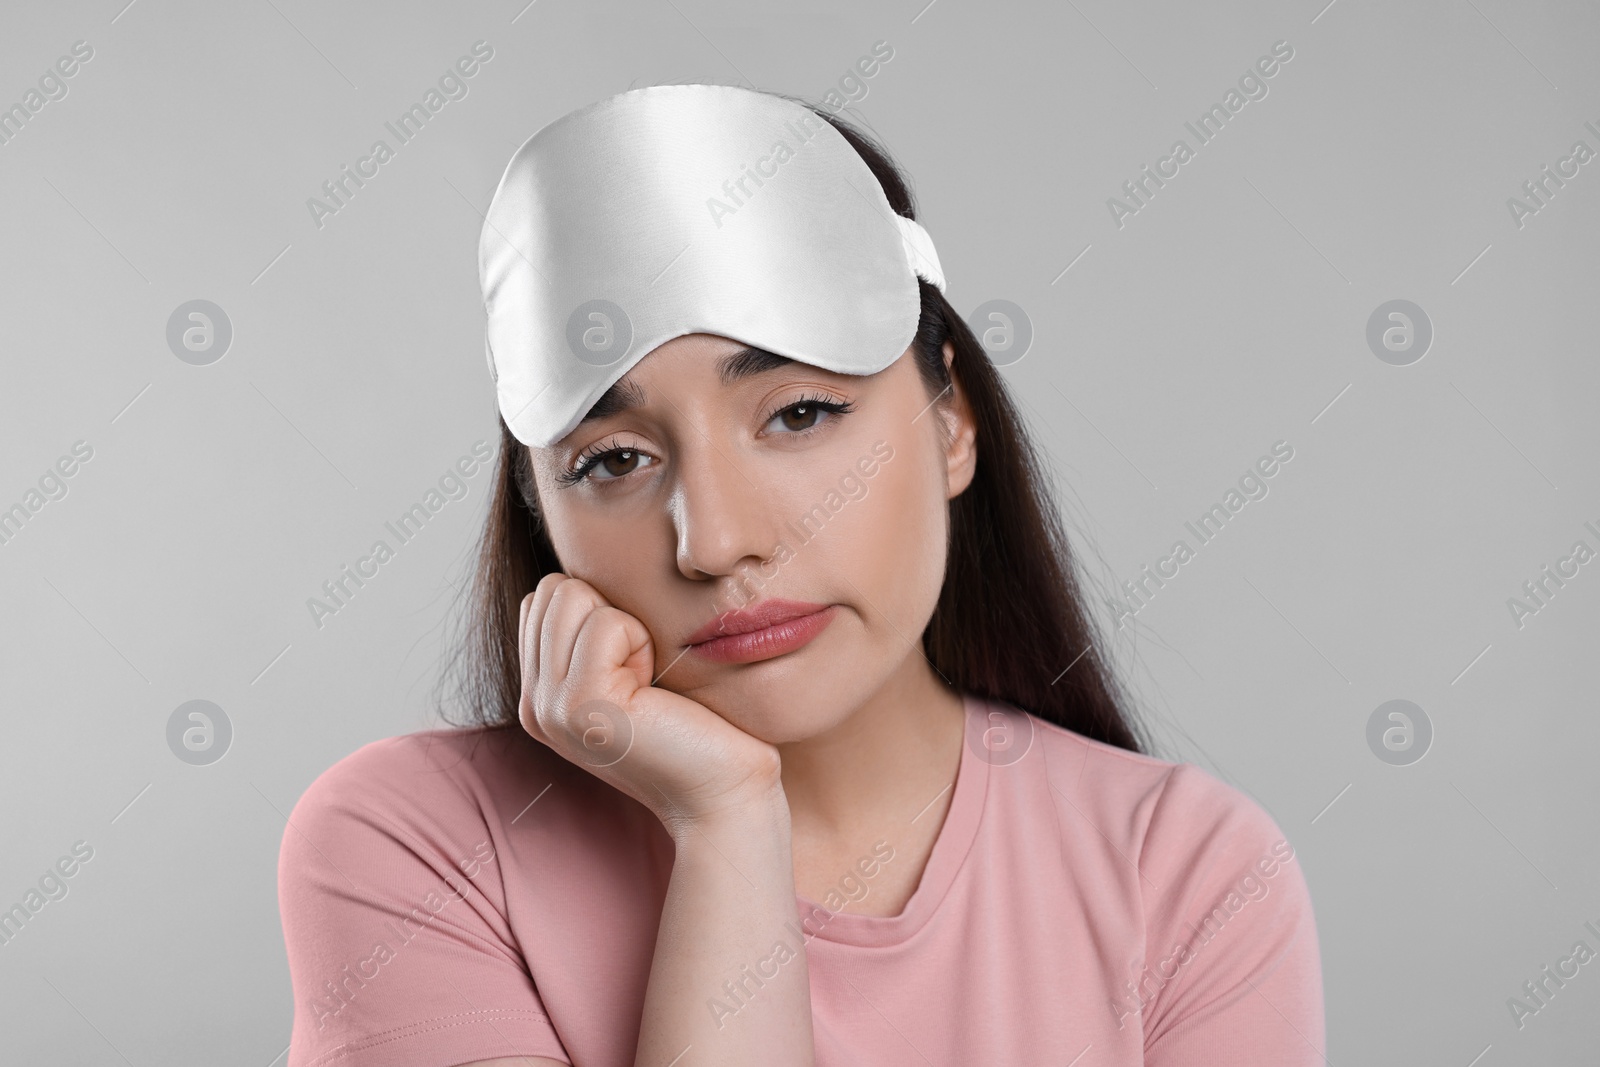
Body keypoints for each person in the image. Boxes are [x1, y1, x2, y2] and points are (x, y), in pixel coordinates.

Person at [277, 83, 1325, 1066]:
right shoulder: (418, 847)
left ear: (951, 421)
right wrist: (727, 822)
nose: (715, 539)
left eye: (799, 413)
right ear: (540, 511)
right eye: (614, 460)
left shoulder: (1187, 874)